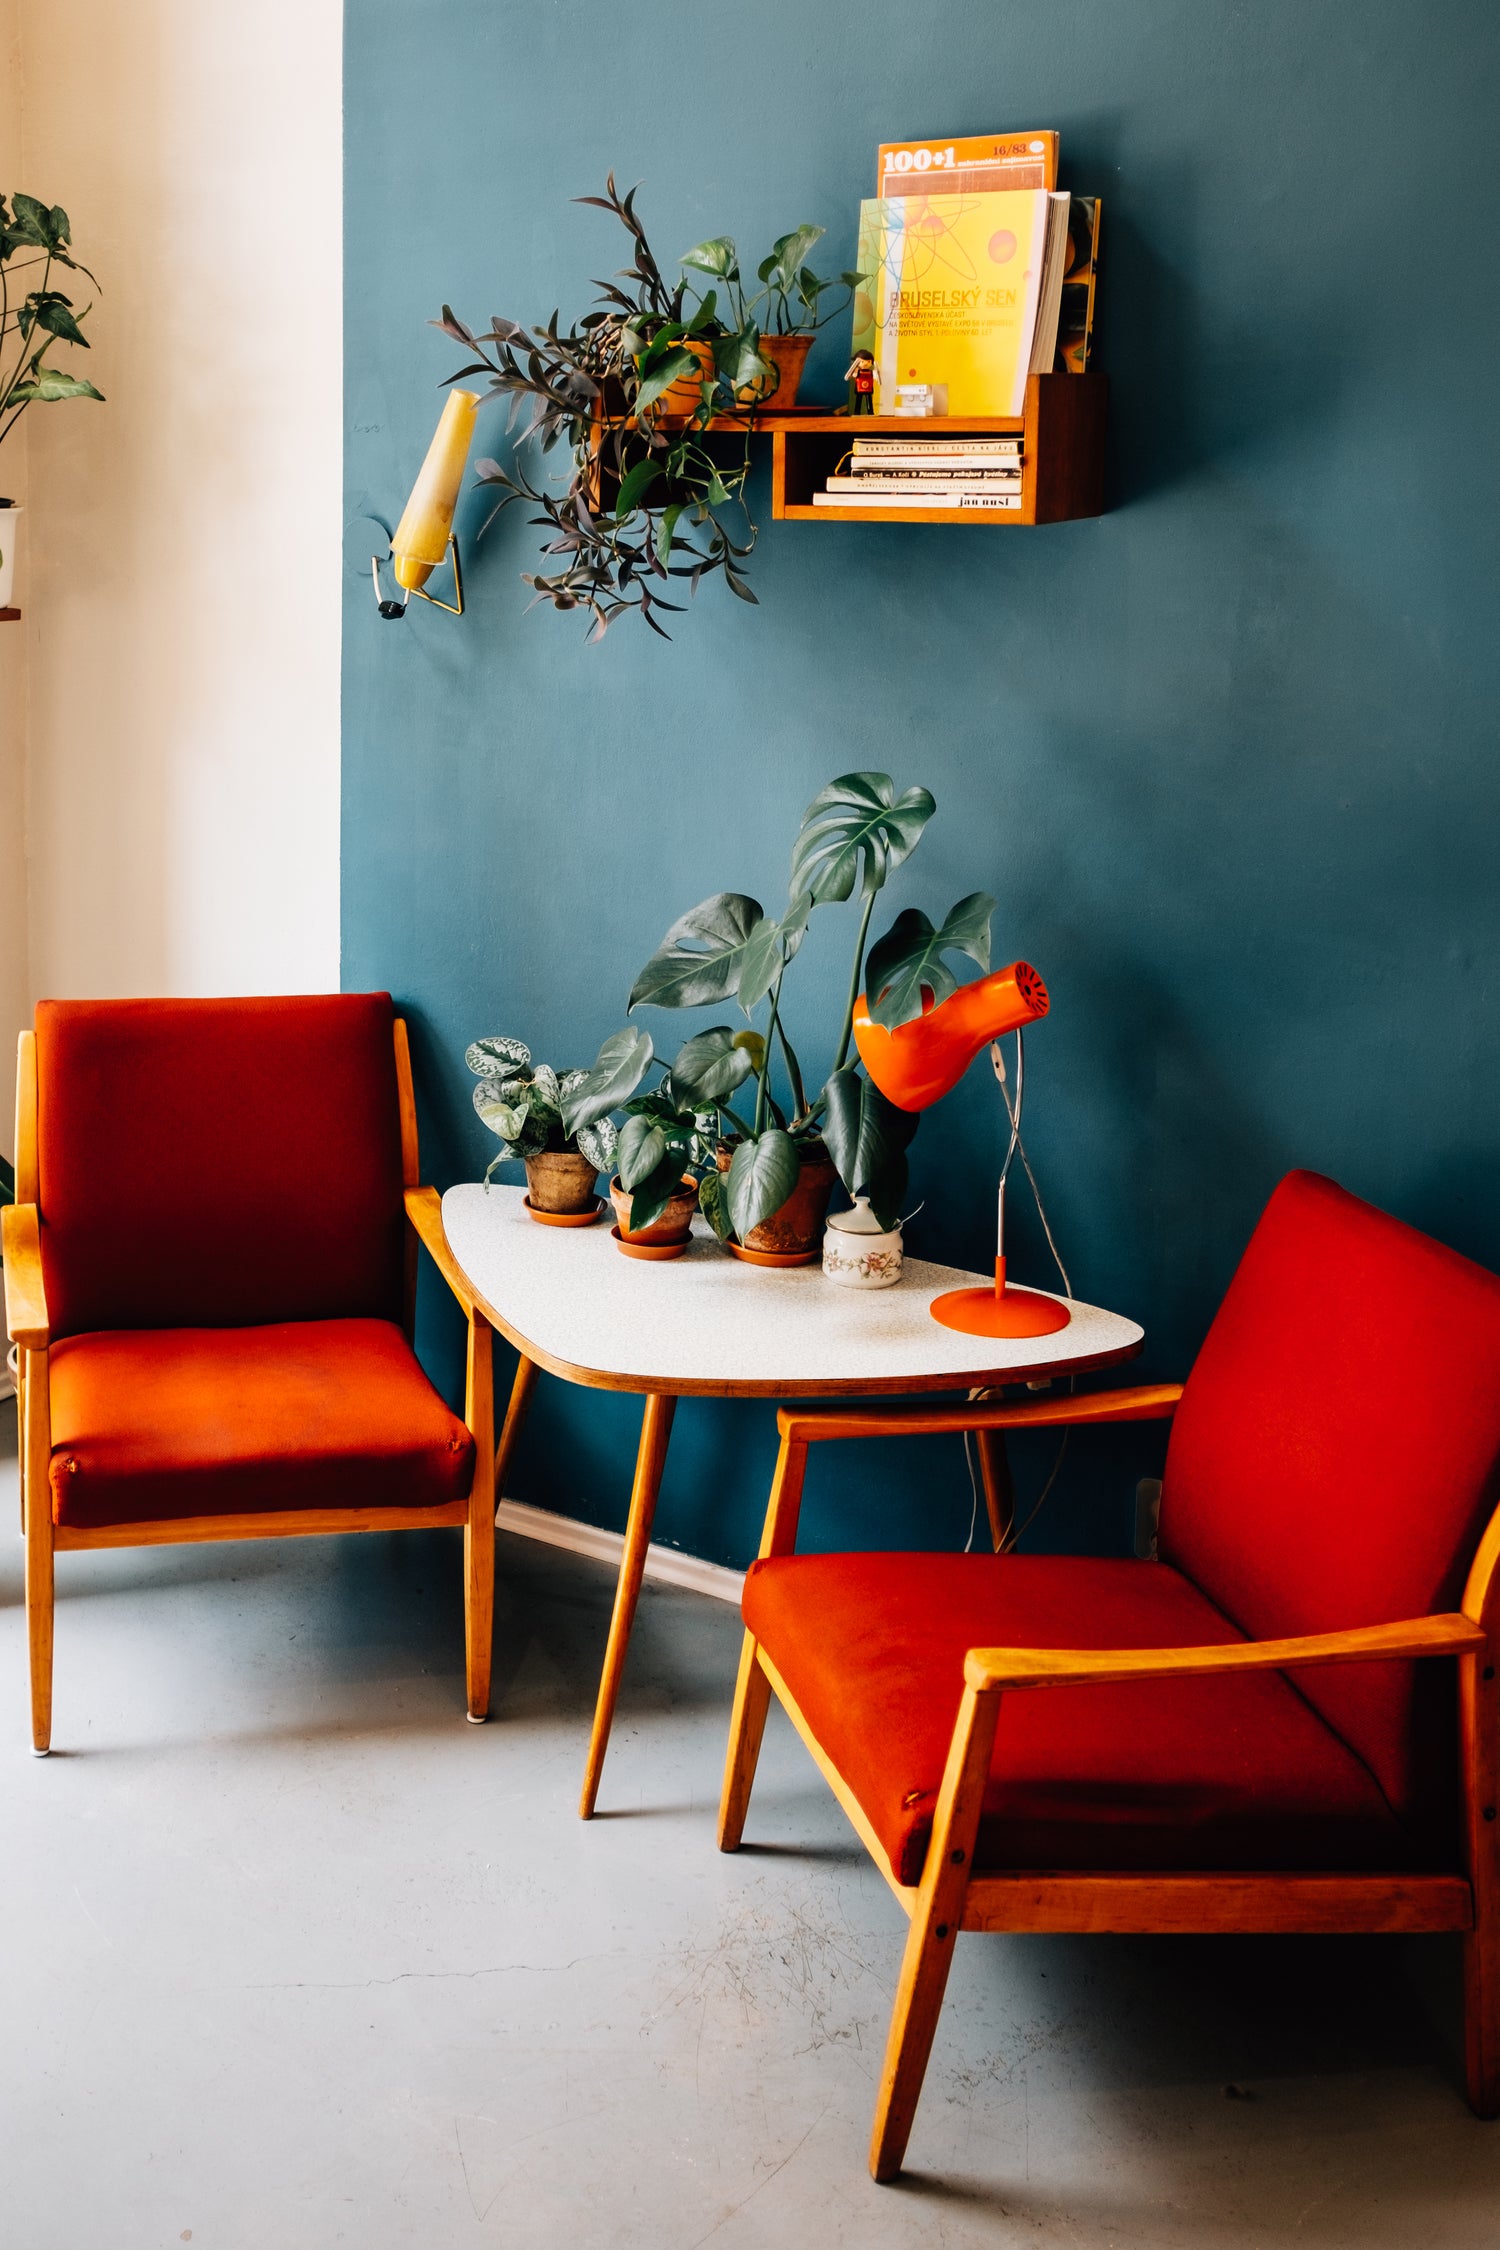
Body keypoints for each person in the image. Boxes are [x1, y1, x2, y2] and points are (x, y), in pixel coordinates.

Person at [844, 349, 877, 415]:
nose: (866, 363)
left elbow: (875, 376)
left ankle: (870, 412)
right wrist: (854, 371)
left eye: (868, 361)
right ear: (857, 362)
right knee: (858, 400)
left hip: (868, 388)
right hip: (860, 388)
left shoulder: (871, 372)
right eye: (862, 361)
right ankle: (857, 412)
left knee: (869, 401)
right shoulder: (857, 371)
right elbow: (853, 375)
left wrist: (876, 376)